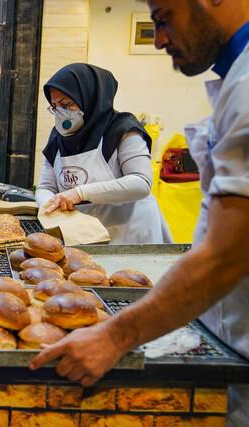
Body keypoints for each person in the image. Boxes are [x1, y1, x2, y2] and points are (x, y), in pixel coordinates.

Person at [30, 0, 249, 424]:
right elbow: (45, 182)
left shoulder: (123, 129)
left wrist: (117, 336)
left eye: (164, 17)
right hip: (228, 336)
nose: (160, 38)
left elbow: (225, 255)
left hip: (139, 248)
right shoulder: (235, 78)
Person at [35, 63, 172, 244]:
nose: (60, 112)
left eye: (66, 104)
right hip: (83, 233)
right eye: (55, 106)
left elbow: (141, 182)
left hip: (129, 232)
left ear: (90, 98)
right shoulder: (58, 137)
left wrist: (80, 193)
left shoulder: (123, 130)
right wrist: (50, 205)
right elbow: (45, 186)